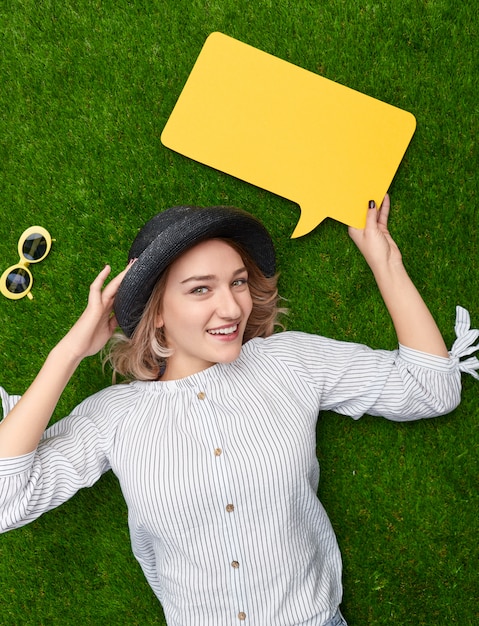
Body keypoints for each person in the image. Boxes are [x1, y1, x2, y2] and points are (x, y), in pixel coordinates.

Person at [0, 196, 477, 626]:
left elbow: (431, 389)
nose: (231, 308)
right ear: (158, 310)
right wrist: (69, 353)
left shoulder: (288, 361)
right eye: (200, 290)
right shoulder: (112, 417)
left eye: (238, 282)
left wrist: (383, 260)